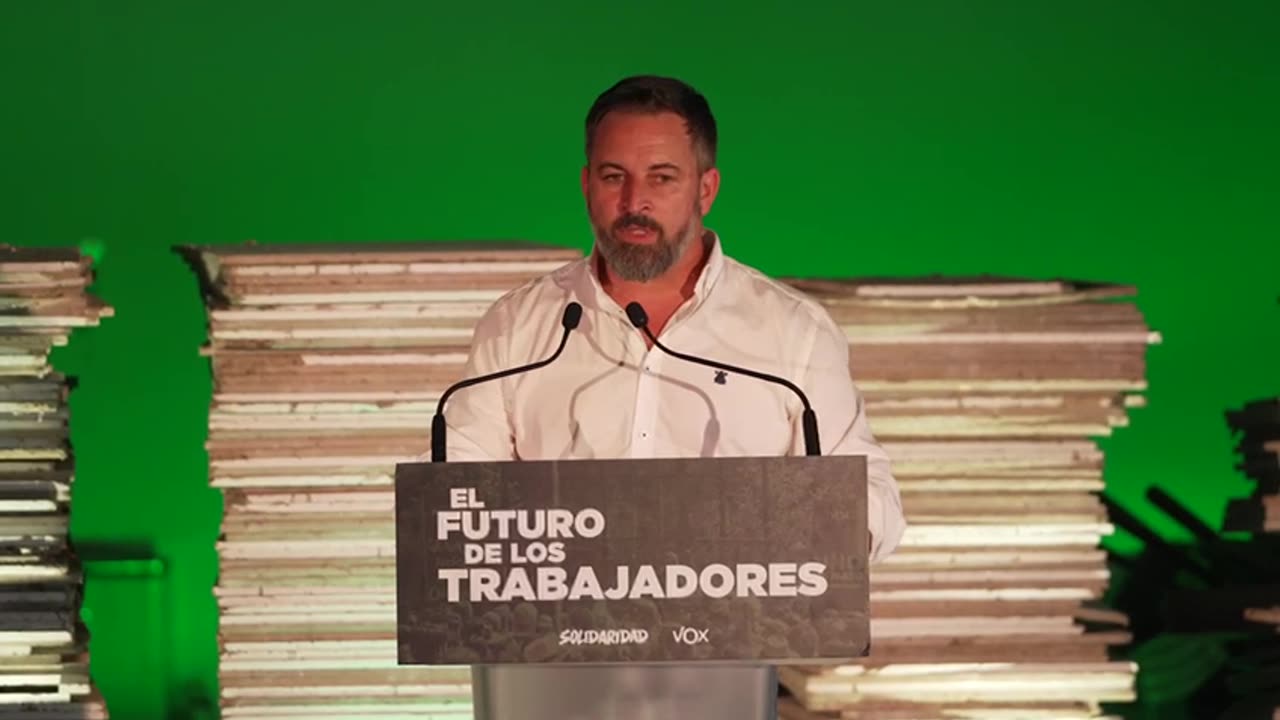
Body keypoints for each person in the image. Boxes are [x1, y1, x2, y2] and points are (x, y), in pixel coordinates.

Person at [445, 74, 905, 562]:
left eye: (661, 178)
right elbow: (453, 494)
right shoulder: (518, 327)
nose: (634, 202)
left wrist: (770, 525)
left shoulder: (793, 331)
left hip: (739, 628)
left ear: (706, 190)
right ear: (586, 185)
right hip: (561, 630)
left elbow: (876, 505)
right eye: (613, 176)